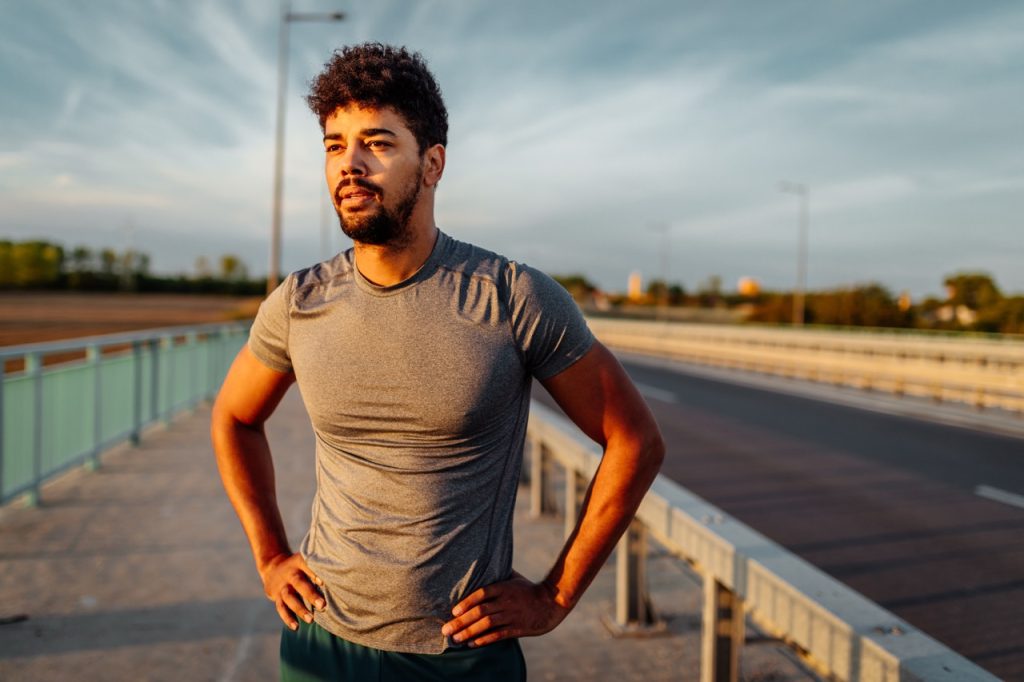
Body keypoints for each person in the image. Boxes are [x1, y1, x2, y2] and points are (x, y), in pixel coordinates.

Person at [211, 42, 665, 681]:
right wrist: (269, 556)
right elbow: (234, 418)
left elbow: (634, 440)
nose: (350, 164)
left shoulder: (511, 296)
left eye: (377, 143)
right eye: (335, 146)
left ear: (433, 164)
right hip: (321, 643)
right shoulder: (299, 301)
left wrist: (556, 595)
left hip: (462, 656)